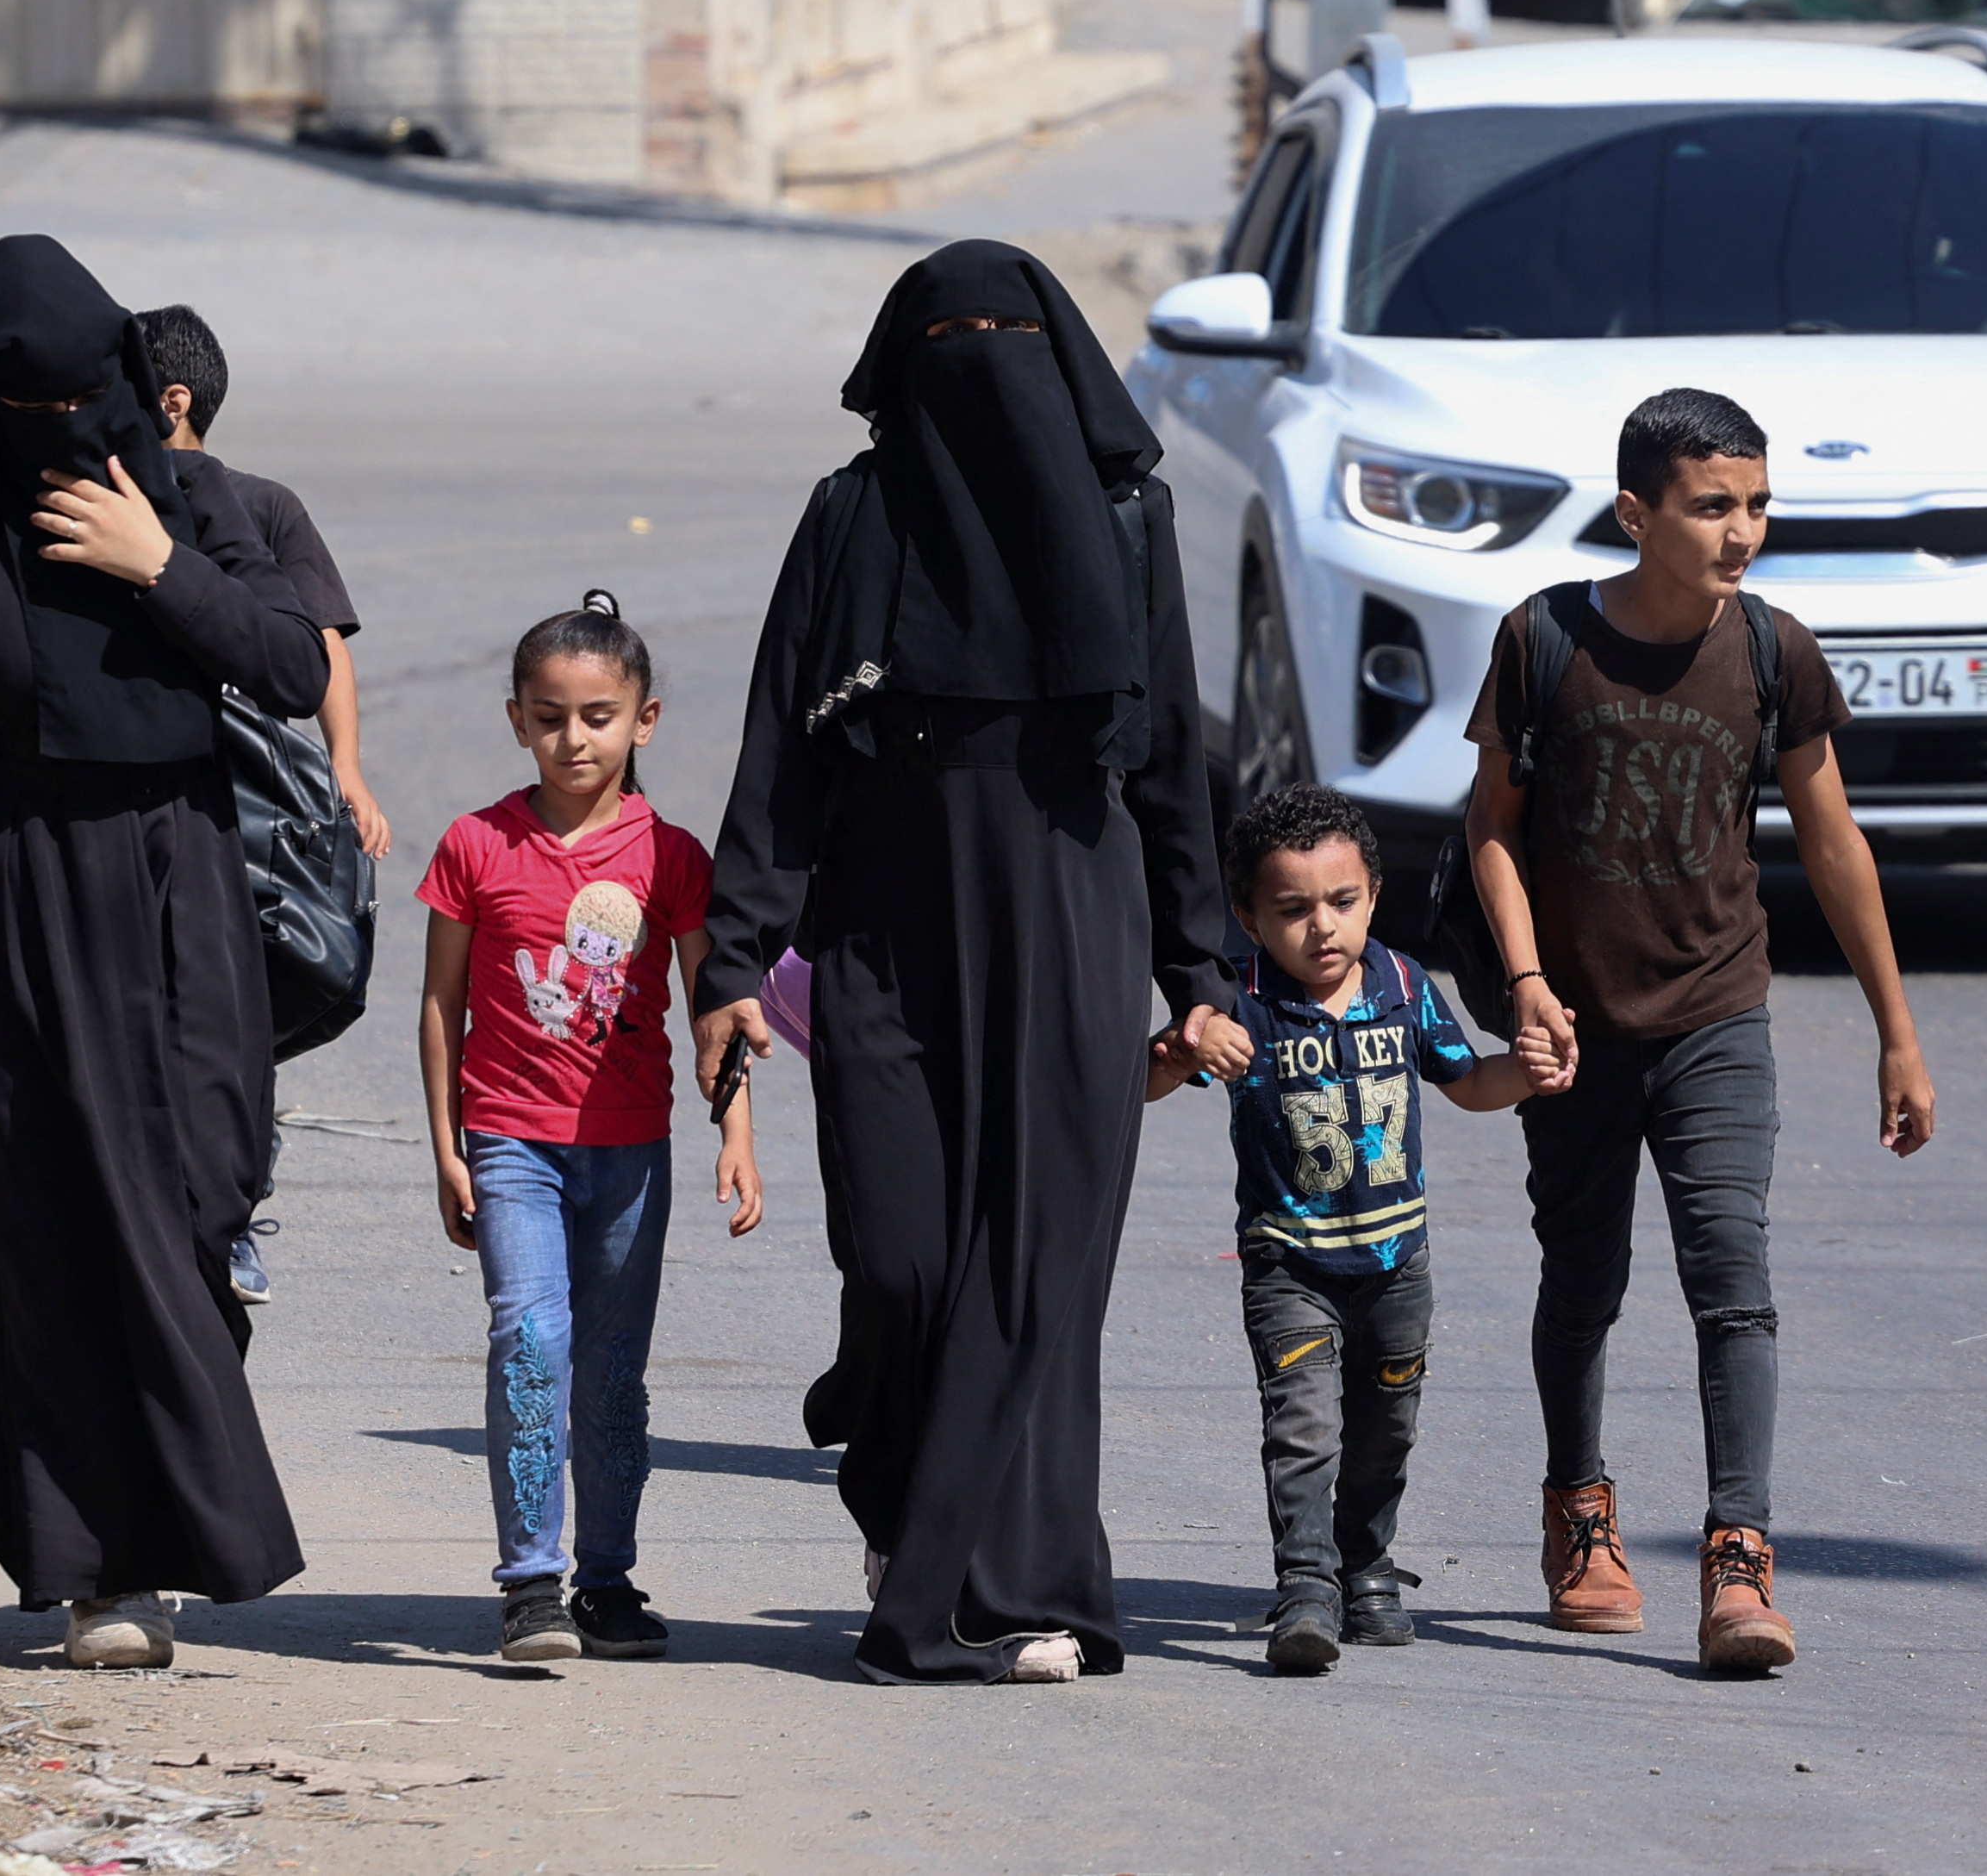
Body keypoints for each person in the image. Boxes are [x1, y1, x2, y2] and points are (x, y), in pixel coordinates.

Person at [693, 239, 1249, 1686]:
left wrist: (1202, 966)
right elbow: (777, 747)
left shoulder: (1130, 524)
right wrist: (733, 959)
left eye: (1008, 333)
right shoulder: (852, 515)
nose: (981, 364)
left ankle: (1007, 1587)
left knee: (1034, 1269)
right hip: (882, 926)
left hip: (1076, 924)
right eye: (955, 338)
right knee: (899, 1252)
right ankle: (901, 1480)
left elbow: (1176, 763)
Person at [0, 234, 330, 1670]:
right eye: (28, 413)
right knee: (57, 1233)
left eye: (80, 403)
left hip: (184, 882)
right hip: (12, 901)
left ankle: (164, 1514)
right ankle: (103, 1571)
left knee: (201, 1192)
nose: (61, 438)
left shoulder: (195, 503)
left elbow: (294, 664)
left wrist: (159, 563)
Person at [1463, 387, 1940, 1677]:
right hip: (1574, 1026)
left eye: (1756, 504)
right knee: (1584, 1281)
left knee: (1732, 1280)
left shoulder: (1775, 651)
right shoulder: (1545, 638)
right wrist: (1522, 983)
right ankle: (1580, 1513)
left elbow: (1832, 843)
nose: (1743, 531)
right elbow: (1488, 825)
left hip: (1716, 1012)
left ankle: (1737, 1556)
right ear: (1637, 513)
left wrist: (1895, 1030)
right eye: (1712, 506)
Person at [418, 592, 757, 1663]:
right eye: (551, 715)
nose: (576, 737)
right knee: (530, 1342)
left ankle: (606, 1578)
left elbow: (718, 1014)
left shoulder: (673, 858)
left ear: (643, 719)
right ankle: (530, 1583)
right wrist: (446, 1145)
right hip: (510, 1140)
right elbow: (441, 1005)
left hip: (629, 1151)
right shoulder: (476, 845)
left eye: (599, 715)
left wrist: (735, 1132)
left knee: (612, 1372)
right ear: (516, 718)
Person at [1150, 782, 1539, 1674]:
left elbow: (1465, 1079)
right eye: (1291, 909)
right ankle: (1306, 1585)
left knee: (1385, 1426)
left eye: (1342, 901)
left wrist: (1523, 1070)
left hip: (1399, 1260)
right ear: (1247, 917)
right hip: (1289, 1261)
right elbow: (1145, 1079)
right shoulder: (1237, 1000)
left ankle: (1366, 1566)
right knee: (1305, 1427)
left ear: (1372, 894)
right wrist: (1180, 1050)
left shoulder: (1403, 982)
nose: (1321, 927)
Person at [135, 302, 385, 1309]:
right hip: (141, 786)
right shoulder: (106, 494)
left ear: (171, 399)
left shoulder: (260, 505)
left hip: (254, 798)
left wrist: (349, 769)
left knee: (242, 987)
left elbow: (322, 641)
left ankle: (230, 1211)